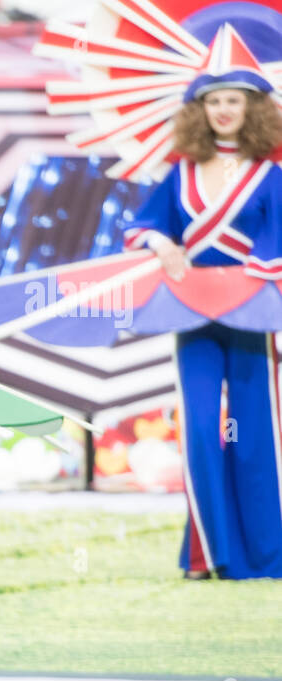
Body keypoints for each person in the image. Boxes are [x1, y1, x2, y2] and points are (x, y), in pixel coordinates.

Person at [122, 50, 282, 580]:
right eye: (213, 101)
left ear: (252, 106)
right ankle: (207, 554)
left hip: (250, 314)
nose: (223, 110)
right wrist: (162, 242)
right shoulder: (181, 173)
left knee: (255, 429)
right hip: (192, 312)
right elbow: (143, 225)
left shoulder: (269, 174)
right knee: (198, 429)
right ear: (200, 109)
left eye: (233, 99)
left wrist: (253, 270)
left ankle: (264, 556)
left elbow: (275, 243)